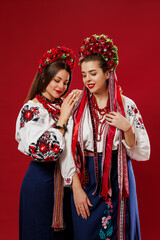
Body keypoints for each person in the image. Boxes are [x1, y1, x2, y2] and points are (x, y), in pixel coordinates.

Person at [60, 34, 150, 240]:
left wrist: (127, 128)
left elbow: (142, 152)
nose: (87, 80)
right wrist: (75, 188)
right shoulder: (76, 106)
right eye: (84, 75)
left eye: (93, 73)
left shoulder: (126, 105)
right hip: (85, 178)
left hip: (118, 178)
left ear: (108, 73)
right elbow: (66, 150)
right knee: (85, 231)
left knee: (120, 232)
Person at [15, 46, 81, 240]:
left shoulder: (64, 105)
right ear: (44, 77)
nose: (61, 87)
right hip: (41, 182)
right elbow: (44, 152)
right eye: (57, 80)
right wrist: (62, 120)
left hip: (66, 183)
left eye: (66, 82)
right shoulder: (32, 109)